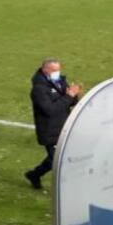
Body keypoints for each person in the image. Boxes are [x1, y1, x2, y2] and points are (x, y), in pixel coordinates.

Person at [25, 58, 82, 189]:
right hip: (50, 130)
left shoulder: (60, 81)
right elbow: (49, 110)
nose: (58, 72)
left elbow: (69, 102)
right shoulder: (39, 89)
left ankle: (34, 174)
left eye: (59, 69)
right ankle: (65, 188)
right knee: (59, 160)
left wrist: (74, 95)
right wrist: (69, 96)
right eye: (54, 70)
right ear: (45, 70)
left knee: (54, 159)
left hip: (64, 126)